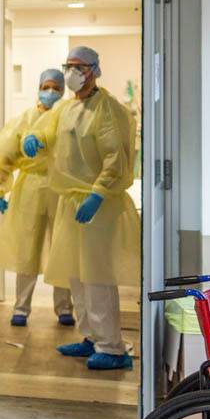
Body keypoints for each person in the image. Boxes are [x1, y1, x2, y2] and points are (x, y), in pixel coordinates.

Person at [21, 45, 139, 371]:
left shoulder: (108, 109)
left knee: (97, 277)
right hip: (70, 201)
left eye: (78, 66)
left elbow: (116, 158)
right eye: (68, 65)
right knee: (76, 275)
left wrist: (98, 194)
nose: (71, 72)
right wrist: (35, 138)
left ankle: (112, 347)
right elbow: (46, 130)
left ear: (94, 70)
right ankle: (90, 337)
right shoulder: (67, 108)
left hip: (97, 205)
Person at [0, 69, 73, 327]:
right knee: (27, 250)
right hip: (31, 189)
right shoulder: (24, 120)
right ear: (38, 87)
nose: (51, 92)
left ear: (63, 91)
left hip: (61, 189)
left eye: (56, 88)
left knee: (62, 250)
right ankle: (21, 308)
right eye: (46, 86)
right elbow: (5, 156)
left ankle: (64, 309)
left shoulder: (67, 119)